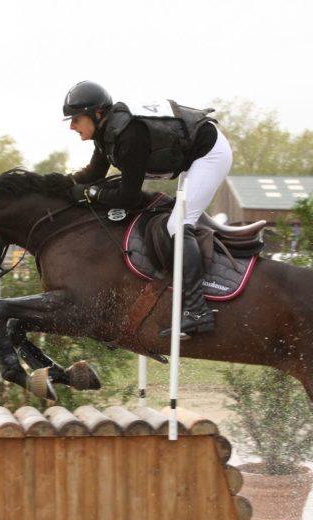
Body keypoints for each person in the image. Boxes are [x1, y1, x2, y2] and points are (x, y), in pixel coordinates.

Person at [62, 80, 233, 339]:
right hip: (193, 158)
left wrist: (90, 193)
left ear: (97, 114)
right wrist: (60, 185)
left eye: (76, 119)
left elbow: (128, 197)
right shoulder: (105, 135)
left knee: (178, 224)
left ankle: (198, 312)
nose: (73, 126)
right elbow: (94, 173)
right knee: (173, 221)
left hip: (210, 154)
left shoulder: (129, 135)